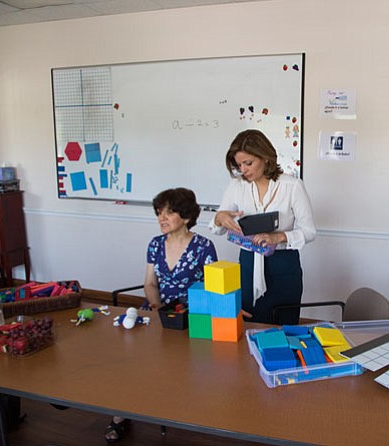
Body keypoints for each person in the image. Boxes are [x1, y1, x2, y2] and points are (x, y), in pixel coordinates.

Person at [105, 187, 217, 443]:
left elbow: (212, 288)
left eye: (169, 212)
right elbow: (149, 283)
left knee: (186, 361)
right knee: (130, 360)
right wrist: (156, 307)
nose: (161, 218)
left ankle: (180, 406)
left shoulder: (204, 247)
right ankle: (121, 415)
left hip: (190, 317)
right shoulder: (155, 244)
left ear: (187, 217)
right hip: (157, 311)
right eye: (159, 213)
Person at [210, 129, 316, 325]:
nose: (243, 170)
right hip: (248, 264)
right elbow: (217, 226)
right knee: (249, 324)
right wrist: (219, 218)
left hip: (283, 264)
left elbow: (309, 232)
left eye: (248, 163)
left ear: (265, 158)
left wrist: (278, 237)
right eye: (239, 164)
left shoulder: (292, 186)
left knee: (283, 327)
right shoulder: (237, 186)